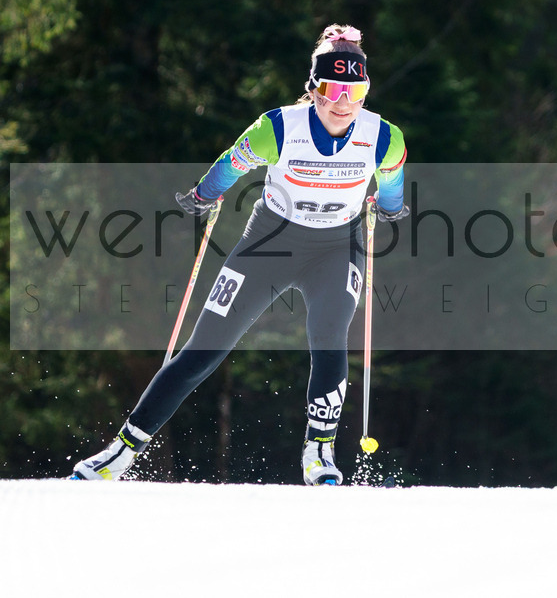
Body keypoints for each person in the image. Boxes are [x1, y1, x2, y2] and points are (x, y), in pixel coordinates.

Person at [71, 24, 408, 485]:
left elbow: (391, 188)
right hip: (269, 243)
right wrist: (204, 195)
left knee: (329, 337)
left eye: (356, 90)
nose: (344, 103)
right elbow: (232, 163)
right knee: (204, 350)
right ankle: (122, 452)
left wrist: (387, 210)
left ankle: (319, 454)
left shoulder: (384, 137)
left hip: (337, 246)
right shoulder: (277, 128)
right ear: (313, 88)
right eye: (333, 89)